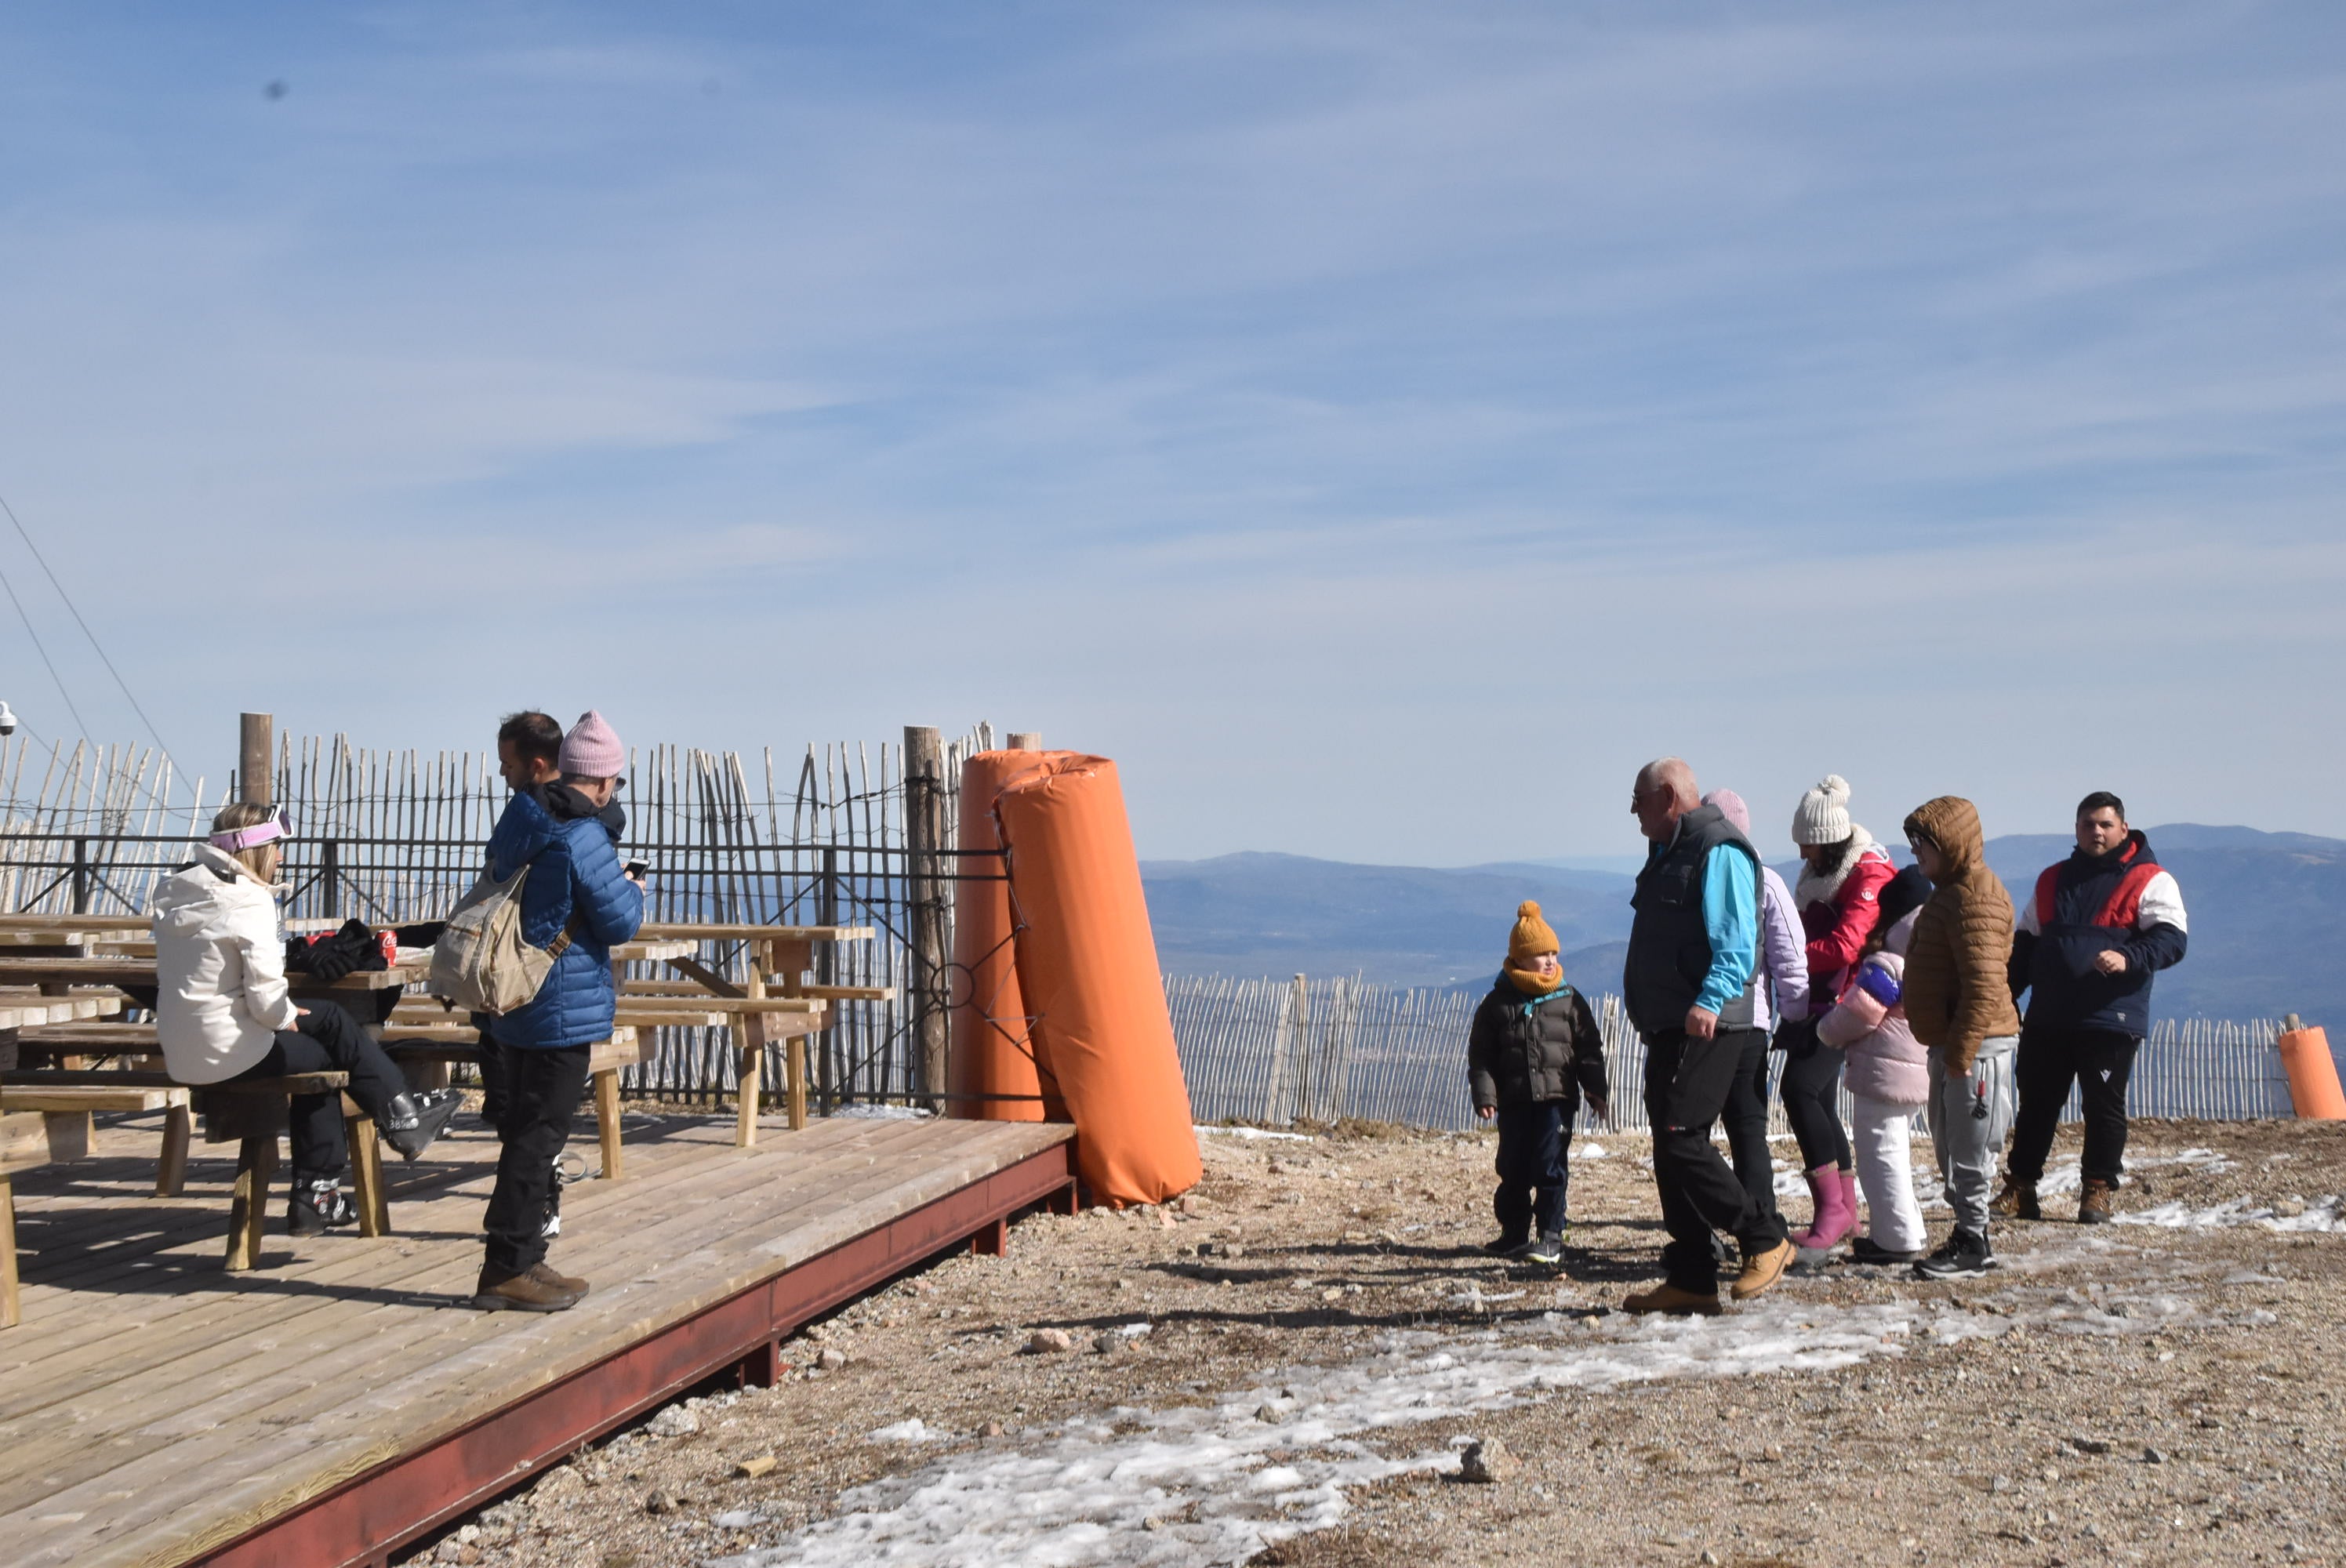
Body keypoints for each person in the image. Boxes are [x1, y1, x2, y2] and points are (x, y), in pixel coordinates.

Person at [151, 803, 462, 1234]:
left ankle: (379, 1136)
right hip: (228, 1051)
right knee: (328, 1041)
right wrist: (285, 1014)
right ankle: (384, 1131)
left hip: (183, 1050)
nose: (281, 856)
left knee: (324, 1039)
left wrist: (282, 1013)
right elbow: (265, 1000)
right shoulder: (249, 901)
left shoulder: (175, 892)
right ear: (256, 850)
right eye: (276, 846)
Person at [470, 710, 645, 1312]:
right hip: (562, 1005)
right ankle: (505, 1270)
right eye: (613, 783)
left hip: (515, 1000)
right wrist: (633, 890)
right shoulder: (584, 835)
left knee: (525, 1133)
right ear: (601, 781)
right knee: (538, 1139)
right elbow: (618, 921)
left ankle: (522, 1261)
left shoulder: (522, 819)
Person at [1619, 759, 1796, 1315]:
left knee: (1681, 1134)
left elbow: (1737, 943)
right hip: (1671, 1023)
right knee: (1667, 1148)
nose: (1633, 811)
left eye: (1639, 799)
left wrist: (1708, 1000)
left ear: (1669, 796)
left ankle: (1764, 1236)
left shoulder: (1717, 848)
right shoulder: (1670, 850)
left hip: (1713, 1021)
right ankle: (1692, 1276)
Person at [1995, 793, 2188, 1225]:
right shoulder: (2051, 880)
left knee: (2102, 1107)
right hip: (2050, 1016)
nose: (2096, 832)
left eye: (2104, 824)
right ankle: (2021, 1188)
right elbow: (2026, 945)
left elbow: (2173, 940)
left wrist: (2130, 958)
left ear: (2123, 828)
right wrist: (2005, 994)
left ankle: (2097, 1191)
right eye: (2087, 824)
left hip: (2110, 1017)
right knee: (2037, 1104)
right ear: (2076, 829)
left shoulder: (2151, 880)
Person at [1899, 796, 2022, 1280]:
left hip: (1978, 1049)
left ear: (1950, 844)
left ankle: (1974, 1241)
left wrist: (1963, 1052)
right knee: (1952, 1145)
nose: (1916, 855)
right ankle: (1967, 1234)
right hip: (1954, 1046)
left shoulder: (1977, 897)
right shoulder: (1952, 892)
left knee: (1972, 1148)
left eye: (1923, 845)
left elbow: (1985, 982)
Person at [1779, 775, 1896, 1251]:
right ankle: (1843, 1212)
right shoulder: (1823, 872)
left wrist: (1788, 954)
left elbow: (1849, 943)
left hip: (1849, 1000)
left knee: (1799, 1090)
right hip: (1822, 997)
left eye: (1808, 845)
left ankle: (1833, 1211)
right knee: (1820, 1101)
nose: (1803, 854)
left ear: (1827, 841)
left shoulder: (1867, 873)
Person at [1468, 901, 1609, 1265]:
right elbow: (1481, 1053)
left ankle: (1550, 1236)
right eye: (1539, 954)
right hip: (1515, 1102)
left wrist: (1595, 1089)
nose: (1549, 960)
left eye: (1552, 953)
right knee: (1512, 1167)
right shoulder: (1498, 1004)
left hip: (1557, 1100)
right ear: (1518, 958)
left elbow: (1588, 1048)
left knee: (1550, 1166)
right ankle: (1513, 1232)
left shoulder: (1568, 1001)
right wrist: (1486, 1093)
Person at [1700, 791, 1808, 1252]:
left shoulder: (1697, 874)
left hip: (1700, 1021)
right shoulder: (1767, 881)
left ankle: (1704, 1228)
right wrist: (1796, 1016)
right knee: (1748, 1129)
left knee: (1694, 1132)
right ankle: (1760, 1229)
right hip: (1751, 1023)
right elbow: (1790, 957)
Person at [1814, 866, 1934, 1263]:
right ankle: (1905, 1232)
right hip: (1914, 1068)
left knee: (1880, 1154)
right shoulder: (1925, 952)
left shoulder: (1888, 962)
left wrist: (1826, 1030)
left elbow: (1862, 1012)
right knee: (1895, 1152)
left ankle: (1896, 1240)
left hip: (1884, 1072)